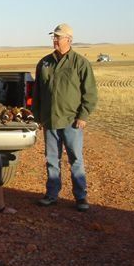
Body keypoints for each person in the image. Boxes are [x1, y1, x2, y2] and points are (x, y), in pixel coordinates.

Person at [32, 23, 97, 212]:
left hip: (72, 121)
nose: (54, 40)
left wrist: (83, 115)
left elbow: (90, 93)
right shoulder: (44, 62)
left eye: (58, 37)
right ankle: (51, 195)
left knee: (75, 159)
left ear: (68, 39)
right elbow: (37, 92)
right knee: (52, 159)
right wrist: (38, 116)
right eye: (54, 37)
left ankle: (81, 197)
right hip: (50, 120)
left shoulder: (80, 62)